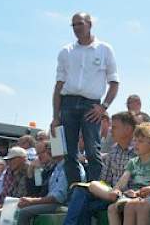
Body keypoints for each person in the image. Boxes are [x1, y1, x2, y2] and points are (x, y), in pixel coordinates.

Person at [37, 111, 138, 225]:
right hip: (111, 194)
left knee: (84, 204)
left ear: (127, 129)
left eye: (114, 127)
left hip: (129, 197)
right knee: (81, 192)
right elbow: (105, 180)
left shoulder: (140, 150)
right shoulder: (114, 151)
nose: (110, 130)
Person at [50, 11, 119, 187]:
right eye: (73, 25)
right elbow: (58, 86)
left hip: (91, 105)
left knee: (92, 150)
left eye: (80, 23)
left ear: (90, 24)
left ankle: (94, 190)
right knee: (69, 153)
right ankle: (75, 192)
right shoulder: (66, 51)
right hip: (68, 103)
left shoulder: (104, 49)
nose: (77, 28)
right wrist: (55, 116)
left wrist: (103, 107)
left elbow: (114, 83)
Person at [0, 141, 72, 225]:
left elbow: (57, 197)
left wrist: (33, 200)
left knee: (22, 211)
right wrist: (31, 174)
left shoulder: (65, 168)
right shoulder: (55, 168)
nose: (47, 152)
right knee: (10, 210)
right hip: (49, 201)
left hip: (62, 204)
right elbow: (38, 191)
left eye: (47, 150)